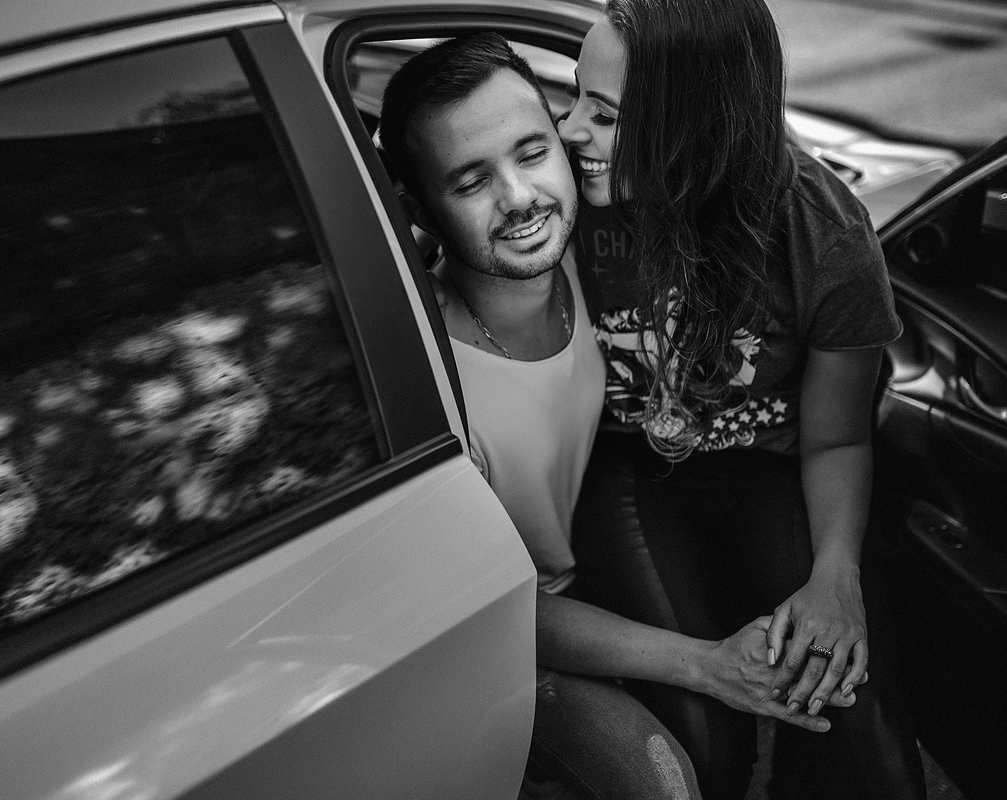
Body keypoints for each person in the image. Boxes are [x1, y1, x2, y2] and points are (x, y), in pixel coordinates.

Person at [378, 32, 855, 800]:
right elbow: (495, 614)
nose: (521, 200)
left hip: (613, 548)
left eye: (532, 153)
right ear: (422, 208)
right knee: (678, 773)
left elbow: (712, 149)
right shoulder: (432, 388)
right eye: (471, 182)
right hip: (518, 633)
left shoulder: (585, 248)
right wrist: (705, 662)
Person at [556, 2, 927, 800]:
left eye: (604, 113)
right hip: (631, 477)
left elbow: (837, 441)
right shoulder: (556, 206)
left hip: (774, 475)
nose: (569, 131)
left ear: (694, 127)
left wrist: (836, 577)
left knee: (850, 724)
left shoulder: (822, 231)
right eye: (573, 95)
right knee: (699, 748)